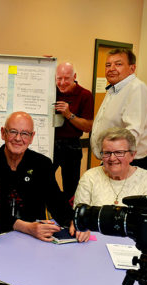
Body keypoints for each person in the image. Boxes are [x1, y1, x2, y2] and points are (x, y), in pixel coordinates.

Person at [0, 112, 89, 242]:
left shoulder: (42, 163)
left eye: (25, 134)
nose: (18, 138)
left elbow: (56, 202)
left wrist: (74, 221)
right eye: (13, 132)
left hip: (34, 239)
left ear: (32, 137)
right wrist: (25, 227)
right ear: (3, 133)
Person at [90, 48, 147, 170]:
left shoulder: (136, 89)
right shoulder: (115, 89)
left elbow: (133, 132)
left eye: (118, 64)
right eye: (108, 65)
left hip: (126, 162)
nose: (111, 68)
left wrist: (114, 159)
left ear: (132, 68)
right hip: (114, 160)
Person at [74, 128, 147, 207]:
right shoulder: (90, 177)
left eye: (119, 152)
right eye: (107, 153)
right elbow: (77, 219)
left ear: (132, 155)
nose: (112, 158)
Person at [53, 62, 94, 202]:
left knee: (71, 188)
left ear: (74, 77)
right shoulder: (51, 90)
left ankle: (69, 219)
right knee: (42, 180)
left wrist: (69, 114)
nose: (62, 83)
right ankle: (56, 206)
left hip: (71, 146)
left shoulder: (85, 95)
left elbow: (88, 126)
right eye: (59, 78)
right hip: (50, 145)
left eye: (66, 78)